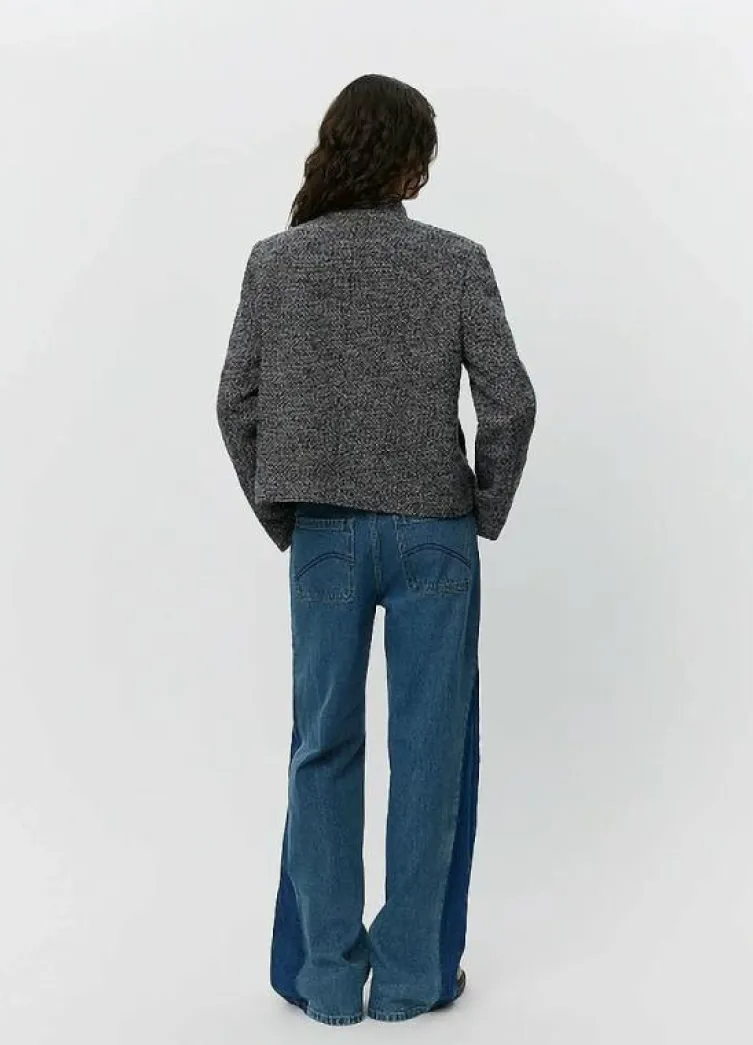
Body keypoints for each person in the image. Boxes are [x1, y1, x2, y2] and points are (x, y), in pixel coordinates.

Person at [216, 73, 536, 1026]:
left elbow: (235, 403)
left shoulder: (277, 262)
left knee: (322, 747)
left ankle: (324, 979)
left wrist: (286, 514)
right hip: (435, 532)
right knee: (431, 752)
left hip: (324, 535)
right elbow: (512, 402)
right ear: (410, 164)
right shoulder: (455, 260)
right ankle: (411, 980)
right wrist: (480, 510)